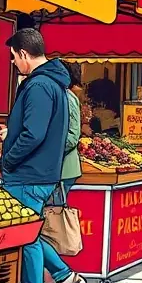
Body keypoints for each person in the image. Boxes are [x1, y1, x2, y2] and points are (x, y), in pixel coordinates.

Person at [0, 29, 85, 283]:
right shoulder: (55, 84)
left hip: (28, 173)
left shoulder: (38, 85)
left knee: (26, 235)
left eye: (14, 57)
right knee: (31, 232)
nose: (13, 63)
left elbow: (33, 133)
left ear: (24, 53)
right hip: (42, 172)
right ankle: (66, 278)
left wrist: (9, 160)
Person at [62, 62, 84, 197]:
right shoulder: (61, 94)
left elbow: (73, 135)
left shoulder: (68, 97)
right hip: (59, 168)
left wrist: (50, 150)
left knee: (56, 207)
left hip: (64, 168)